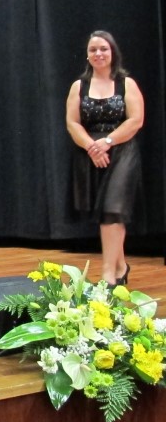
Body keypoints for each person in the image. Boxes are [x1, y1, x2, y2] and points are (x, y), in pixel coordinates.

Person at [65, 30, 144, 286]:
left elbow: (136, 120)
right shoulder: (79, 86)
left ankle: (108, 275)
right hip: (91, 154)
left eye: (103, 49)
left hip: (122, 152)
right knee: (106, 214)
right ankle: (121, 267)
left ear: (112, 52)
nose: (98, 53)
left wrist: (107, 142)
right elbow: (72, 123)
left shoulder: (126, 83)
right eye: (93, 50)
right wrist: (92, 147)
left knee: (113, 209)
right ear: (87, 55)